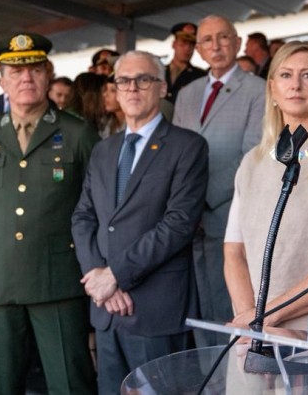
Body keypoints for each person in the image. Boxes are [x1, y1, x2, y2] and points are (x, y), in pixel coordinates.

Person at [0, 33, 99, 395]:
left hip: (57, 277)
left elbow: (94, 204)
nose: (26, 78)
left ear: (48, 75)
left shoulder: (77, 131)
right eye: (16, 71)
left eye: (35, 69)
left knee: (70, 381)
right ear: (2, 81)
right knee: (0, 385)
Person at [72, 51, 207, 395]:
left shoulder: (187, 146)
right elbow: (83, 216)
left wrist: (115, 275)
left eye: (143, 79)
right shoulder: (104, 150)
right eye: (124, 81)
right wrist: (98, 278)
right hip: (105, 309)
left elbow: (178, 224)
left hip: (155, 308)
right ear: (114, 90)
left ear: (162, 88)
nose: (132, 88)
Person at [225, 41, 308, 331]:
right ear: (272, 88)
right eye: (286, 75)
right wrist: (249, 319)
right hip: (253, 326)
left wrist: (267, 314)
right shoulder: (251, 161)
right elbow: (234, 251)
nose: (295, 84)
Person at [173, 15, 265, 346]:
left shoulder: (258, 89)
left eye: (224, 38)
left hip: (227, 214)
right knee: (197, 313)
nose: (216, 46)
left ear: (238, 43)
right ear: (198, 49)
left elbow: (251, 156)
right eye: (207, 40)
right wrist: (184, 208)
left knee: (230, 311)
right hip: (186, 222)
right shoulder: (186, 93)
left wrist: (201, 202)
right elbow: (176, 156)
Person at [164, 22, 206, 104]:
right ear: (174, 44)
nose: (187, 48)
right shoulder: (158, 71)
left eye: (191, 45)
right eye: (183, 43)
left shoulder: (200, 77)